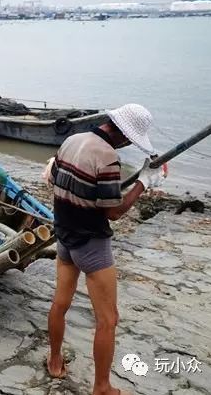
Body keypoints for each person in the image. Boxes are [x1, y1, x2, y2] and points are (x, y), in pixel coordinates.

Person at [45, 104, 166, 395]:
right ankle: (101, 387)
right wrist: (143, 182)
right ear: (125, 136)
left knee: (61, 303)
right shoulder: (108, 157)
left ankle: (54, 360)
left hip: (65, 237)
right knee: (108, 319)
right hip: (91, 245)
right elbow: (113, 212)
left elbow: (53, 178)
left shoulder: (72, 140)